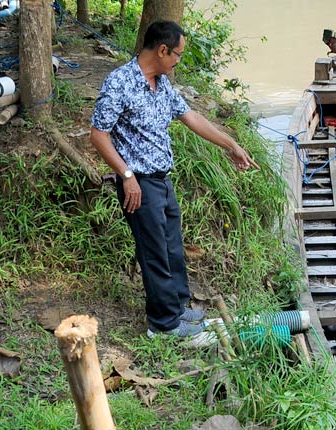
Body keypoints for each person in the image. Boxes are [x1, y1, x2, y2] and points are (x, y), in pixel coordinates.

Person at [90, 20, 259, 340]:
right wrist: (126, 176)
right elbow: (98, 135)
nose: (178, 61)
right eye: (177, 54)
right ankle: (163, 325)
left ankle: (177, 307)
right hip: (138, 182)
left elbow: (190, 116)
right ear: (162, 50)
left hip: (161, 180)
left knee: (171, 247)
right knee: (153, 250)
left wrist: (231, 145)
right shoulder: (120, 82)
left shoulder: (161, 83)